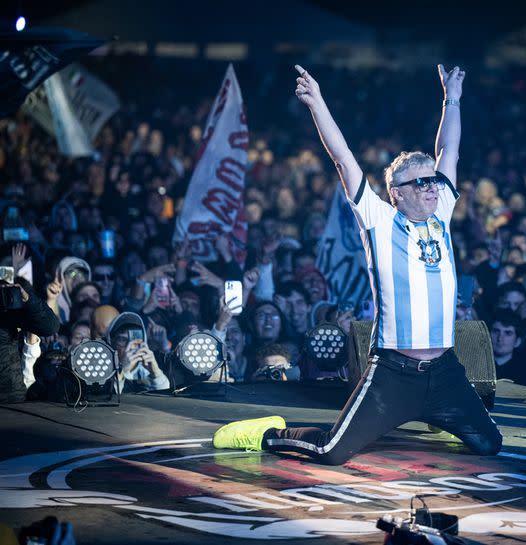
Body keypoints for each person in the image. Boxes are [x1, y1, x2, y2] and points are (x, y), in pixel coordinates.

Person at [213, 63, 502, 465]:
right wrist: (316, 103)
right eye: (421, 182)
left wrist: (451, 98)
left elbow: (448, 151)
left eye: (432, 179)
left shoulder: (443, 212)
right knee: (331, 450)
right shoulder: (380, 221)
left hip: (446, 372)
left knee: (491, 444)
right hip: (394, 374)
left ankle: (439, 414)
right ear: (397, 194)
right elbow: (343, 157)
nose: (432, 186)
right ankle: (265, 433)